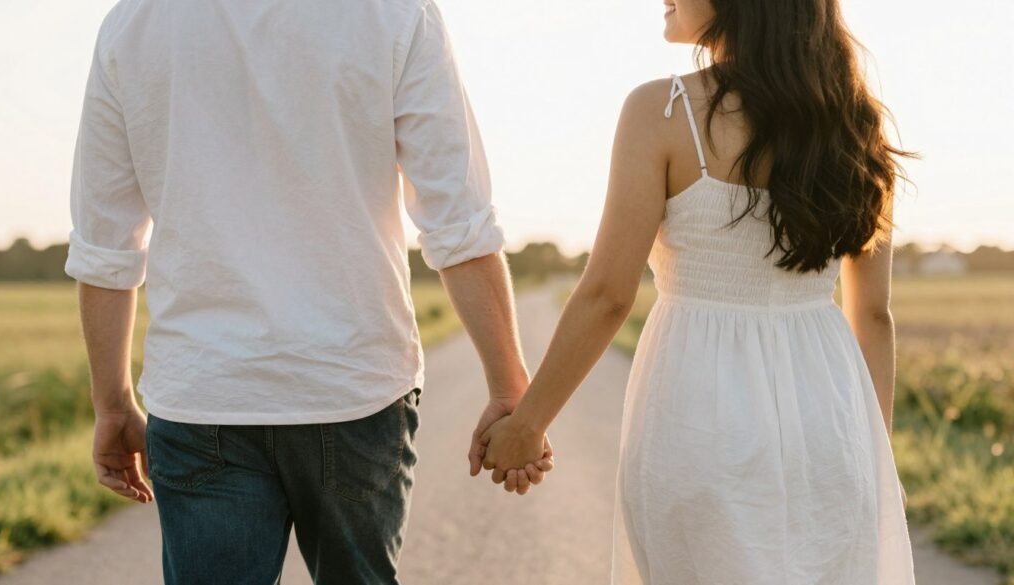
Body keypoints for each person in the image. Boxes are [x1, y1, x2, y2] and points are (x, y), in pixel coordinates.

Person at [66, 0, 551, 583]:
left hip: (204, 392)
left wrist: (113, 403)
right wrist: (509, 389)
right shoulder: (398, 14)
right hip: (356, 387)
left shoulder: (133, 24)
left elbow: (105, 247)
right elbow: (459, 223)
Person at [479, 0, 916, 582]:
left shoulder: (661, 111)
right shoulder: (856, 123)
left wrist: (527, 425)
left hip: (697, 419)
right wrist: (872, 459)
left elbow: (609, 294)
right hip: (832, 426)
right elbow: (875, 317)